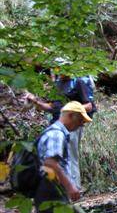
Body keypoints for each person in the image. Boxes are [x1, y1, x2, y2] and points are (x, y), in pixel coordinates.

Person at [10, 102, 92, 213]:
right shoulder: (56, 133)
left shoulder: (57, 132)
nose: (81, 125)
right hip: (49, 187)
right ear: (70, 116)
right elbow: (50, 162)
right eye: (80, 121)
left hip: (52, 187)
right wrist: (70, 186)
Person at [25, 59, 96, 189]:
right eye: (57, 68)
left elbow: (89, 106)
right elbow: (52, 106)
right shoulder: (57, 84)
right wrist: (37, 102)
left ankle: (75, 187)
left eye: (61, 68)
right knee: (57, 156)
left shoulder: (78, 82)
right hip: (57, 125)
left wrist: (70, 110)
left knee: (71, 155)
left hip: (73, 124)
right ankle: (61, 188)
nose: (59, 71)